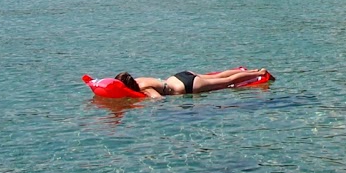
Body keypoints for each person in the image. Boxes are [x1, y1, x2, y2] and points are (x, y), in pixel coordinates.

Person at [114, 67, 270, 98]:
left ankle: (259, 74)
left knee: (226, 82)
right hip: (179, 76)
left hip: (186, 87)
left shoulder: (144, 88)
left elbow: (158, 100)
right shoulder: (139, 79)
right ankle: (255, 71)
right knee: (221, 75)